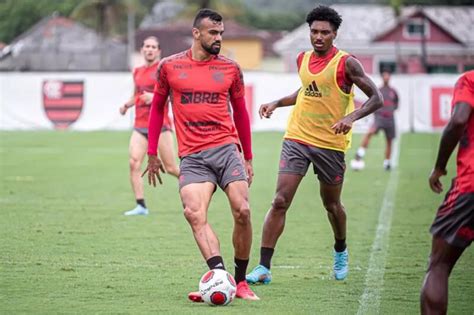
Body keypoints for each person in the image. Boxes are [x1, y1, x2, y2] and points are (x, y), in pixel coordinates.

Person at [246, 5, 383, 284]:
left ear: (335, 34)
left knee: (331, 205)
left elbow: (376, 98)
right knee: (280, 200)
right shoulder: (302, 58)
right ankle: (263, 267)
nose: (318, 37)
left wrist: (350, 116)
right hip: (297, 137)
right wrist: (277, 102)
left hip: (330, 144)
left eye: (325, 32)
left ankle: (340, 250)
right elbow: (308, 89)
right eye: (314, 31)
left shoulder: (347, 63)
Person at [143, 9, 259, 301]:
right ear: (197, 33)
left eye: (221, 33)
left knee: (242, 210)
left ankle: (241, 281)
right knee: (194, 213)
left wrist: (248, 156)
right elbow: (157, 108)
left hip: (227, 149)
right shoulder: (169, 67)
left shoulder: (231, 69)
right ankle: (220, 279)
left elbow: (241, 113)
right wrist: (152, 152)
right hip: (193, 156)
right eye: (213, 33)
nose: (218, 38)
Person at [420, 70, 474, 315]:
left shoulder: (469, 80)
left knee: (439, 264)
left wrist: (440, 166)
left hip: (470, 185)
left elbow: (459, 120)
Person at [119, 36, 179, 216]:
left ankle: (198, 185)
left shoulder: (164, 69)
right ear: (142, 50)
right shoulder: (137, 71)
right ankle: (141, 206)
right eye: (147, 46)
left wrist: (155, 98)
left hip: (161, 125)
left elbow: (174, 95)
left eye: (153, 47)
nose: (150, 49)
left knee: (170, 168)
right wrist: (127, 104)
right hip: (140, 125)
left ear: (159, 51)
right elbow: (137, 94)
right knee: (133, 162)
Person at [351, 70, 399, 171]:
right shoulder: (379, 90)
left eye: (388, 76)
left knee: (389, 141)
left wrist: (390, 110)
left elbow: (396, 104)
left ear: (390, 77)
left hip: (390, 119)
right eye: (385, 76)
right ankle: (360, 152)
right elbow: (373, 101)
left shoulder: (393, 91)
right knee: (370, 133)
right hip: (380, 118)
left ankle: (387, 163)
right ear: (382, 77)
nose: (386, 78)